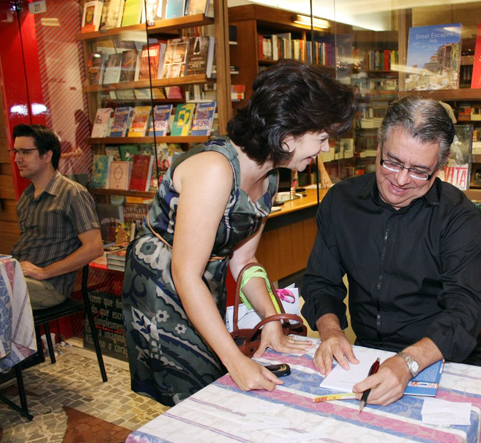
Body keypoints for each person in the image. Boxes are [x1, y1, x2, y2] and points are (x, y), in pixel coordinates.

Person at [121, 61, 356, 406]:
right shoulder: (215, 171)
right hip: (162, 290)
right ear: (288, 135)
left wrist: (271, 318)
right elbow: (185, 274)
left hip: (200, 284)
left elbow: (244, 259)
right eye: (321, 138)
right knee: (197, 395)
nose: (325, 149)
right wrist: (236, 362)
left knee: (217, 382)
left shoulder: (271, 175)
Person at [301, 95, 481, 408]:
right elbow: (321, 281)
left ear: (439, 167)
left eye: (419, 171)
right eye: (392, 162)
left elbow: (466, 309)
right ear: (378, 146)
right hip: (367, 357)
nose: (400, 180)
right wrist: (331, 331)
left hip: (440, 359)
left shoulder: (457, 216)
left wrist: (407, 363)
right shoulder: (342, 202)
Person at [10, 124, 102, 309]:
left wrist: (44, 272)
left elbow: (94, 248)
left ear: (47, 155)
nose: (17, 159)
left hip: (49, 287)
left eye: (25, 152)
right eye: (16, 151)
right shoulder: (26, 197)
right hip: (20, 278)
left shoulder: (72, 193)